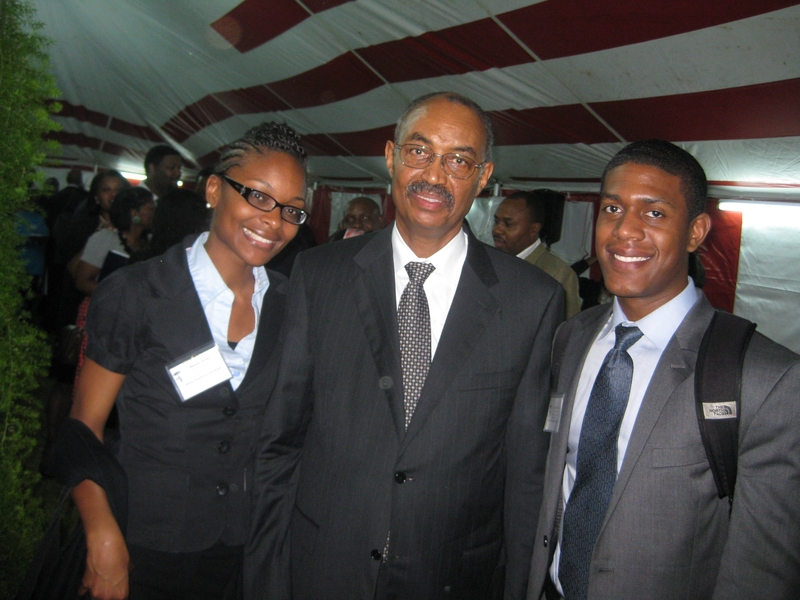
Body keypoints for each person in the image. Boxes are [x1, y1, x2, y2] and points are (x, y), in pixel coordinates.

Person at [245, 92, 564, 600]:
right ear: (391, 157)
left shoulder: (532, 300)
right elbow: (280, 440)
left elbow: (526, 474)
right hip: (324, 565)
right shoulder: (320, 275)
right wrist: (265, 579)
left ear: (483, 178)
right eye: (419, 152)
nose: (435, 175)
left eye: (458, 160)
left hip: (452, 575)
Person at [526, 140, 800, 600]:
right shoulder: (571, 338)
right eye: (613, 208)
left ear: (695, 232)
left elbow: (762, 572)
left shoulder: (765, 378)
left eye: (654, 214)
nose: (623, 232)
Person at [54, 122, 309, 600]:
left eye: (292, 210)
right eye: (258, 196)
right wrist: (101, 531)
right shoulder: (139, 292)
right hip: (144, 541)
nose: (274, 223)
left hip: (243, 548)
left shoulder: (294, 307)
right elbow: (82, 428)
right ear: (214, 189)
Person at [492, 191, 580, 318]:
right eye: (496, 221)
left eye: (508, 224)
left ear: (534, 229)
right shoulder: (490, 261)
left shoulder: (558, 273)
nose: (497, 230)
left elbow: (568, 331)